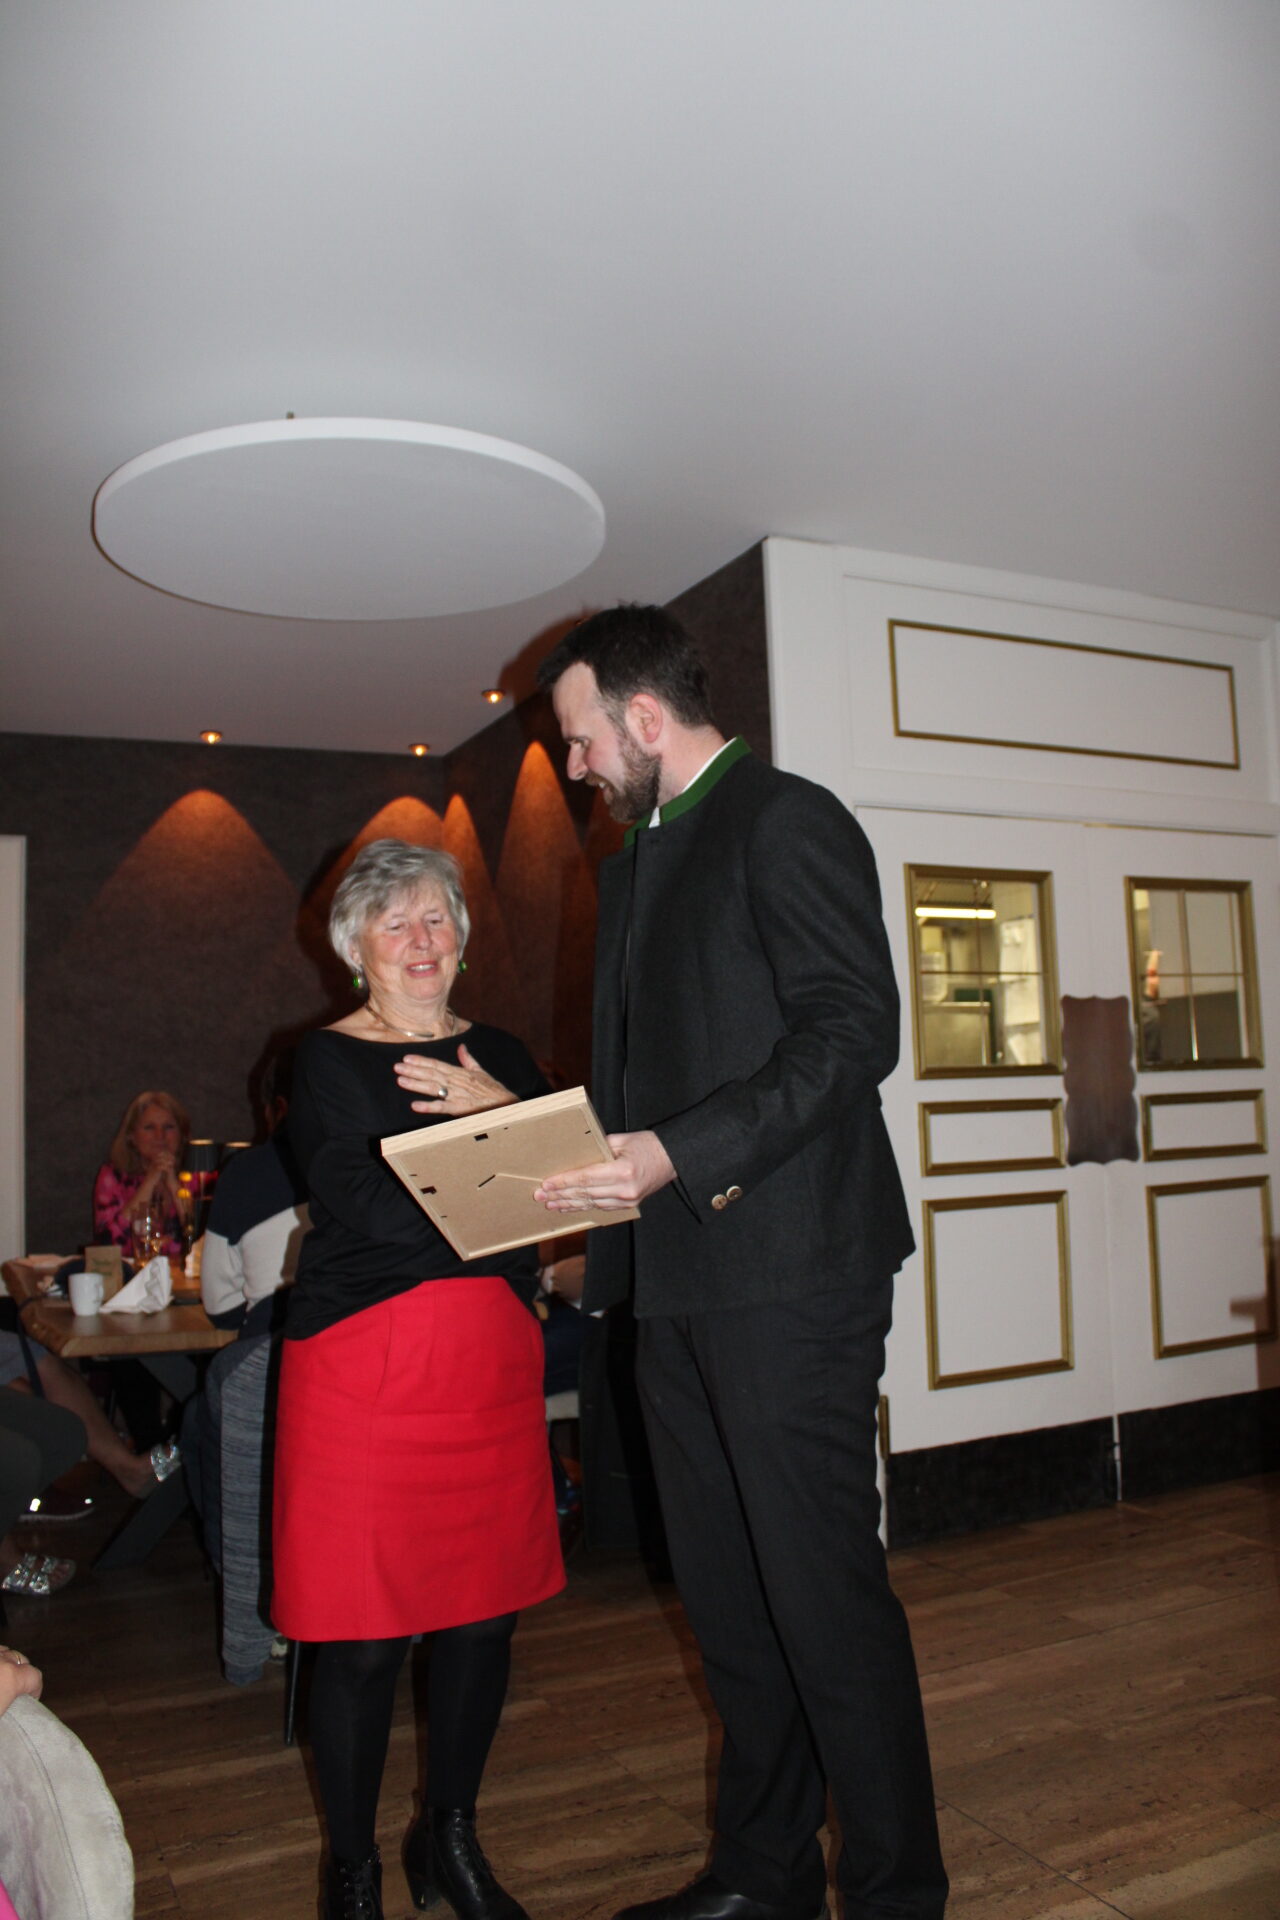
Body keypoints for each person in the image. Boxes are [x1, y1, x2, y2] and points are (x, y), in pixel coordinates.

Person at [534, 606, 948, 1920]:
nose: (575, 766)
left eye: (581, 740)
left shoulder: (785, 819)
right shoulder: (643, 858)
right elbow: (651, 1088)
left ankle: (894, 1895)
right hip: (673, 1285)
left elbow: (853, 1032)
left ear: (645, 717)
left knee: (821, 1601)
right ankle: (763, 1878)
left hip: (795, 1275)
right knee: (726, 1601)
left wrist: (675, 1152)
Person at [272, 840, 563, 1920]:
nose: (420, 939)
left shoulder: (504, 1055)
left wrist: (500, 1112)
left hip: (488, 1359)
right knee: (361, 1638)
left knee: (484, 1623)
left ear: (462, 938)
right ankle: (351, 1872)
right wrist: (508, 1154)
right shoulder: (323, 1062)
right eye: (394, 922)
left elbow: (571, 1187)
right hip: (365, 1366)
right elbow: (368, 1208)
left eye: (437, 916)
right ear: (356, 947)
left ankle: (448, 1838)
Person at [92, 1091, 191, 1261]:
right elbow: (107, 1247)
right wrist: (150, 1181)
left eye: (168, 1127)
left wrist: (173, 1184)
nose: (160, 1136)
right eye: (149, 1127)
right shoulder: (112, 1177)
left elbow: (204, 1241)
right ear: (131, 1136)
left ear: (181, 1135)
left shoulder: (195, 1178)